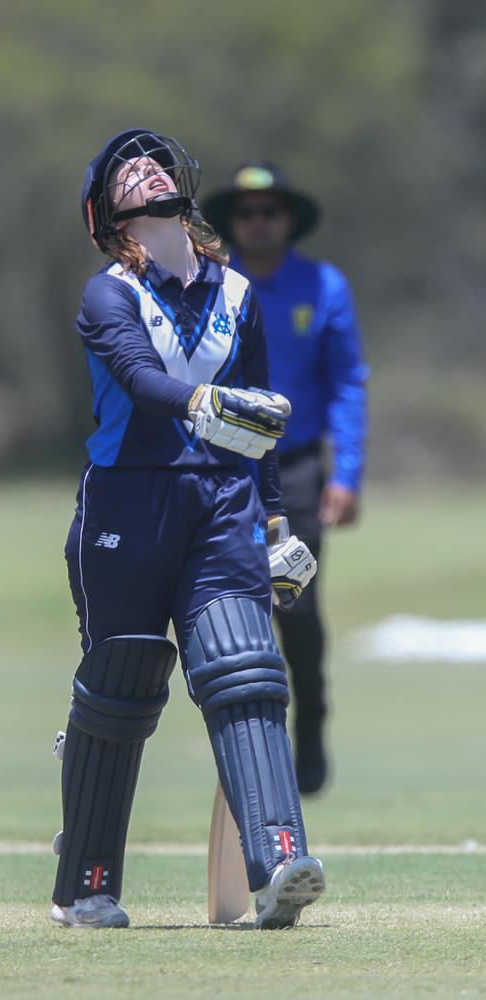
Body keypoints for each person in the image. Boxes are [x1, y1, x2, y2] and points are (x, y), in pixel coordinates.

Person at [51, 129, 325, 931]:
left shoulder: (238, 294)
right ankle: (88, 886)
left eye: (155, 162)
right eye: (124, 170)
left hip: (221, 506)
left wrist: (277, 525)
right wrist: (206, 405)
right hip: (126, 509)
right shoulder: (108, 294)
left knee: (247, 674)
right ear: (108, 215)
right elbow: (139, 379)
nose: (144, 168)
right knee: (121, 689)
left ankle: (279, 866)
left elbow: (262, 418)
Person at [202, 163, 369, 794]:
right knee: (225, 609)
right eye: (246, 213)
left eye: (269, 211)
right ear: (233, 224)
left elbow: (348, 381)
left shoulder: (323, 287)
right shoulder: (214, 286)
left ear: (288, 220)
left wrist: (346, 474)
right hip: (221, 464)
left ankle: (311, 731)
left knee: (293, 606)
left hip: (296, 469)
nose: (258, 222)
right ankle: (244, 753)